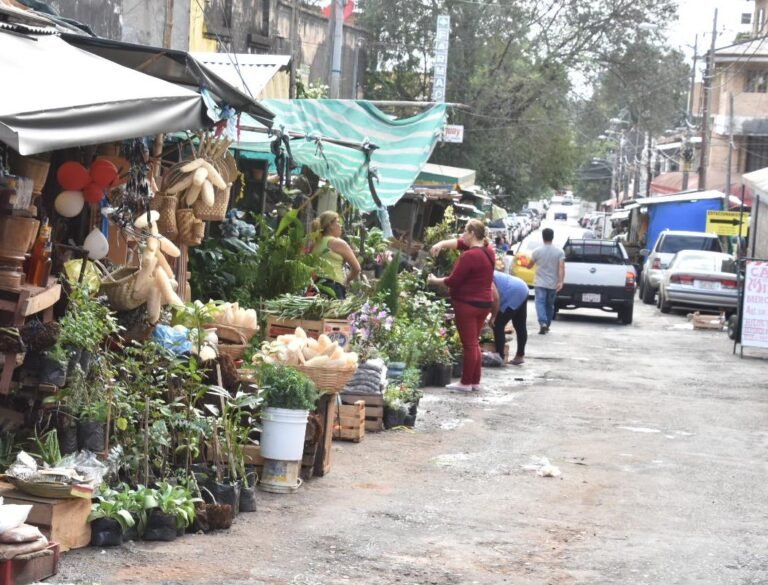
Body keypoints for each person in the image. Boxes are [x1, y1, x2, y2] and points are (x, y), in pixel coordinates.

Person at [428, 220, 495, 392]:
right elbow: (459, 243)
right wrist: (441, 243)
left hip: (467, 304)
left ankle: (465, 383)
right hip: (484, 303)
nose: (462, 235)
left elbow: (453, 281)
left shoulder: (469, 256)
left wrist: (434, 280)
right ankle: (475, 381)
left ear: (472, 233)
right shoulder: (488, 251)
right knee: (475, 343)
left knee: (469, 344)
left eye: (465, 231)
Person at [309, 211, 361, 300]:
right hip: (333, 288)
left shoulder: (316, 244)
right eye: (338, 222)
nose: (341, 226)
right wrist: (347, 280)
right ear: (330, 225)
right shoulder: (338, 243)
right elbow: (357, 268)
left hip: (317, 287)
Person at [528, 227, 564, 335]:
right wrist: (561, 281)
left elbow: (530, 265)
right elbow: (561, 267)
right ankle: (547, 324)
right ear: (552, 237)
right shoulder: (559, 252)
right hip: (552, 283)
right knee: (549, 305)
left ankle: (542, 323)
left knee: (540, 302)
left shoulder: (537, 251)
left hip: (540, 283)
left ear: (543, 237)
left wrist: (526, 264)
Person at [490, 271, 528, 365]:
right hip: (521, 286)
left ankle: (500, 357)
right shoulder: (486, 271)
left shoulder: (483, 276)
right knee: (520, 325)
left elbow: (496, 298)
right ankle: (520, 356)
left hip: (513, 291)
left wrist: (493, 317)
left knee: (498, 324)